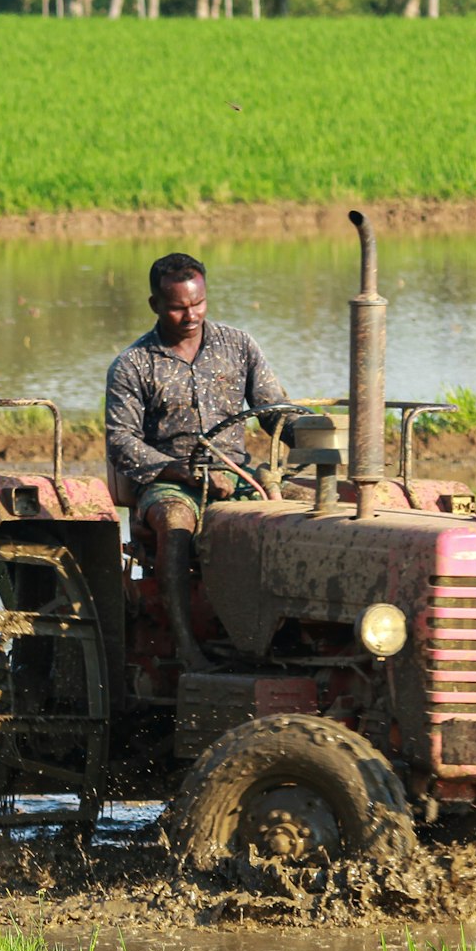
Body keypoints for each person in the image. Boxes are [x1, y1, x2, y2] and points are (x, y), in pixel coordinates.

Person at [105, 252, 285, 671]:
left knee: (297, 511)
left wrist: (314, 435)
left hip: (236, 475)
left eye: (198, 304)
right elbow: (121, 441)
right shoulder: (133, 364)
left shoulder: (238, 346)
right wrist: (179, 471)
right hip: (168, 481)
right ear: (155, 305)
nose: (190, 315)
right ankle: (187, 647)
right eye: (178, 307)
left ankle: (275, 638)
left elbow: (274, 410)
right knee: (175, 521)